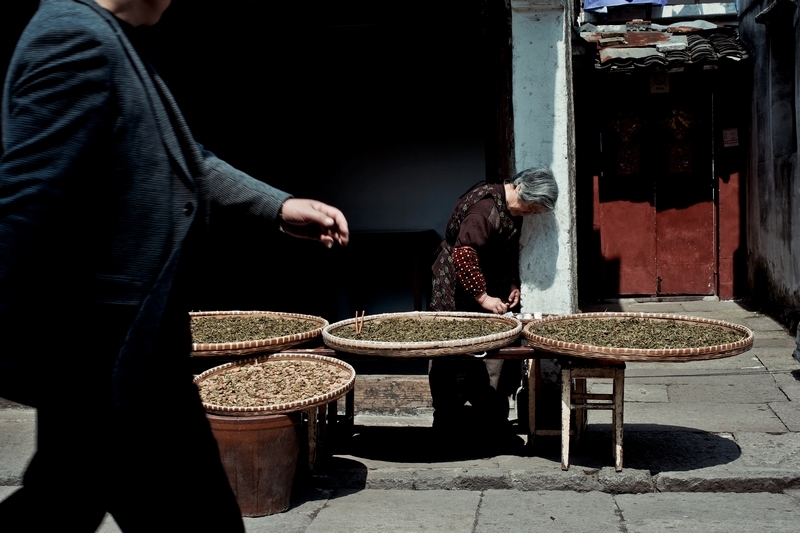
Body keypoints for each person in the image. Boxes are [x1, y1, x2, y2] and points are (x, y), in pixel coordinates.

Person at [0, 1, 348, 531]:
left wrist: (275, 205)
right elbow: (24, 209)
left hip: (134, 357)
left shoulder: (114, 41)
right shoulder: (72, 38)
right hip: (110, 356)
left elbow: (192, 162)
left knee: (64, 498)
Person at [428, 168, 558, 455]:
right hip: (456, 290)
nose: (530, 214)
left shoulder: (509, 209)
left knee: (495, 355)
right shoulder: (484, 209)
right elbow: (464, 254)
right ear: (522, 190)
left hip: (486, 284)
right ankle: (449, 433)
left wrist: (511, 283)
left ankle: (490, 429)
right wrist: (483, 297)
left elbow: (505, 250)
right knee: (452, 356)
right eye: (532, 208)